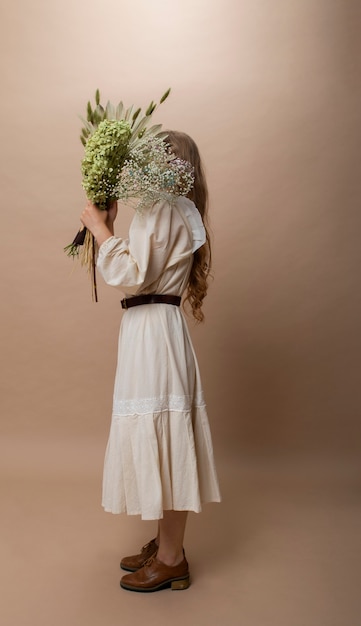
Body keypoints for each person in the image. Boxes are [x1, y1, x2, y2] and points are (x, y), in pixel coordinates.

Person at [80, 130, 221, 592]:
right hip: (150, 328)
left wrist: (102, 230)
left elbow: (131, 273)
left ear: (170, 165)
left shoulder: (166, 208)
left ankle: (171, 557)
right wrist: (115, 226)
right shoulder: (173, 208)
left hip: (155, 331)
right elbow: (143, 268)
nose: (141, 164)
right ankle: (165, 544)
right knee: (160, 434)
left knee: (165, 434)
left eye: (152, 156)